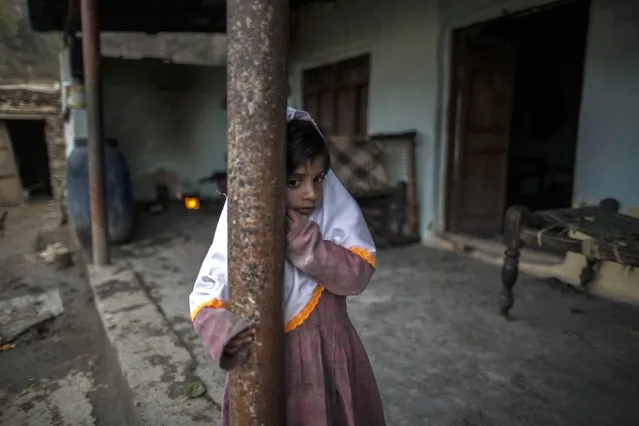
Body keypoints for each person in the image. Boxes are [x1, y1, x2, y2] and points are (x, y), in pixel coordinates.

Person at [189, 107, 386, 426]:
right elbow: (206, 295)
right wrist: (225, 331)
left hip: (328, 356)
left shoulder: (332, 214)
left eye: (318, 179)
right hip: (266, 360)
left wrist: (306, 243)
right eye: (295, 181)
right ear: (264, 180)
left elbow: (357, 275)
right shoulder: (242, 224)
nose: (312, 193)